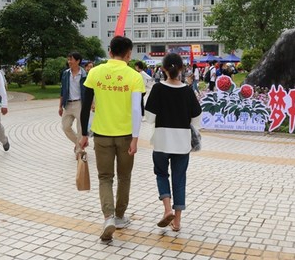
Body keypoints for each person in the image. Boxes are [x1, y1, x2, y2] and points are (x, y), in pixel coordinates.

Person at [78, 36, 144, 242]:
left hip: (102, 135)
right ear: (128, 54)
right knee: (124, 177)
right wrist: (135, 138)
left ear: (109, 52)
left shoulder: (95, 72)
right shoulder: (134, 76)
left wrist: (83, 135)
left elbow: (86, 105)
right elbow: (136, 109)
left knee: (105, 178)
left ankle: (108, 218)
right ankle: (120, 216)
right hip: (125, 136)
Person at [144, 53, 202, 232]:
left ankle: (167, 209)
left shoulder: (158, 89)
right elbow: (197, 116)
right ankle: (176, 222)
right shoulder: (187, 90)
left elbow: (150, 118)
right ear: (182, 69)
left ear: (163, 69)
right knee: (179, 179)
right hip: (182, 141)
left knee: (161, 174)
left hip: (162, 140)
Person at [59, 52, 86, 157]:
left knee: (80, 129)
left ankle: (79, 151)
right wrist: (60, 106)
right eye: (68, 59)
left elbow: (89, 90)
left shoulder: (84, 75)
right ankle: (79, 143)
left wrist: (91, 104)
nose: (69, 61)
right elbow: (62, 90)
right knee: (65, 127)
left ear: (78, 61)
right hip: (68, 104)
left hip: (79, 103)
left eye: (71, 59)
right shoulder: (65, 73)